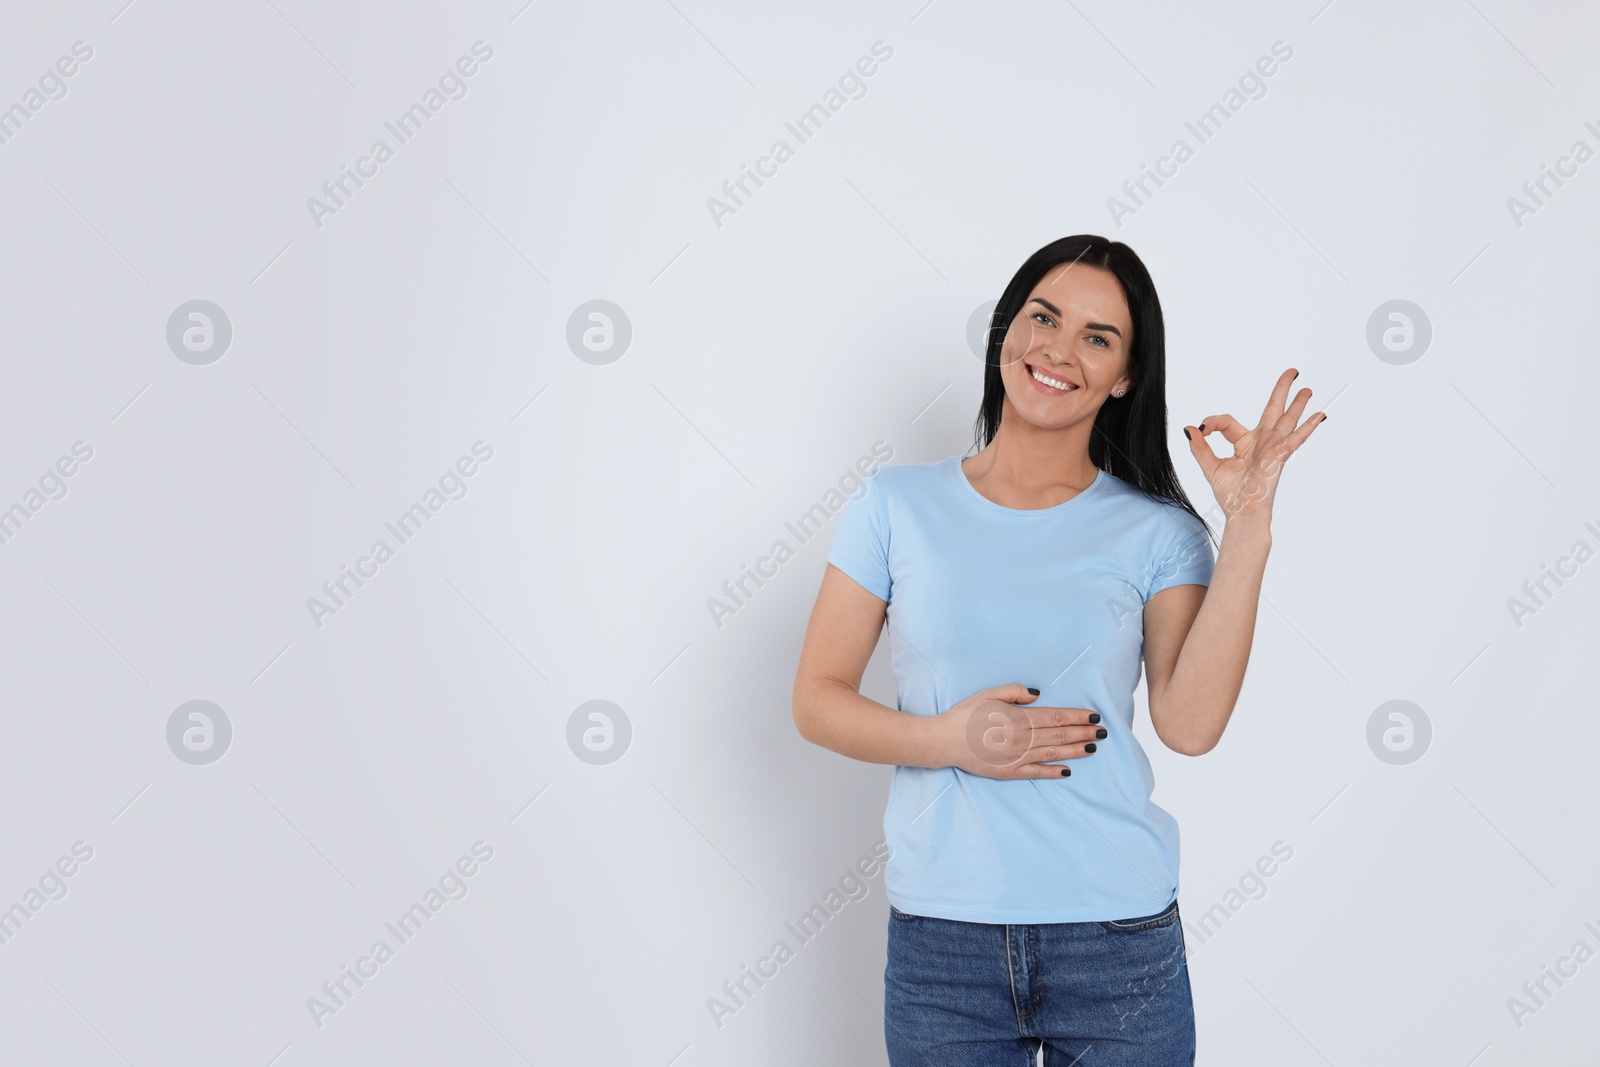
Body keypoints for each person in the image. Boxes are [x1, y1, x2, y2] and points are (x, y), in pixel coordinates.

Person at [791, 234, 1326, 1064]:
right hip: (943, 945)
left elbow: (1189, 724)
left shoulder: (1160, 533)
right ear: (1008, 328)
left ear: (1126, 378)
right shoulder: (893, 505)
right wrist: (953, 740)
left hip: (1117, 942)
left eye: (1098, 337)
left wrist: (1248, 519)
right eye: (1044, 317)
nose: (1059, 349)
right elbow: (817, 697)